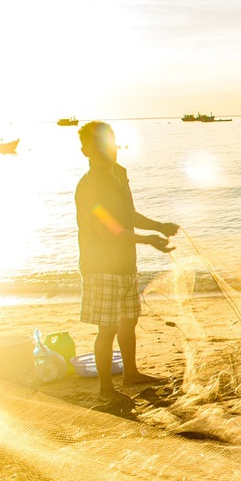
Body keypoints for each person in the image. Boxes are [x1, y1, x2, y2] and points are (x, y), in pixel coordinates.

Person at [75, 121, 180, 404]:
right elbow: (106, 230)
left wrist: (159, 226)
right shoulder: (89, 187)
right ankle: (106, 389)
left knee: (128, 321)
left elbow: (128, 215)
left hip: (124, 263)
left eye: (110, 143)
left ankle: (131, 373)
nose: (108, 150)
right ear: (86, 151)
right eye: (99, 146)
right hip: (101, 266)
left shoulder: (119, 175)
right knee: (107, 328)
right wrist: (147, 240)